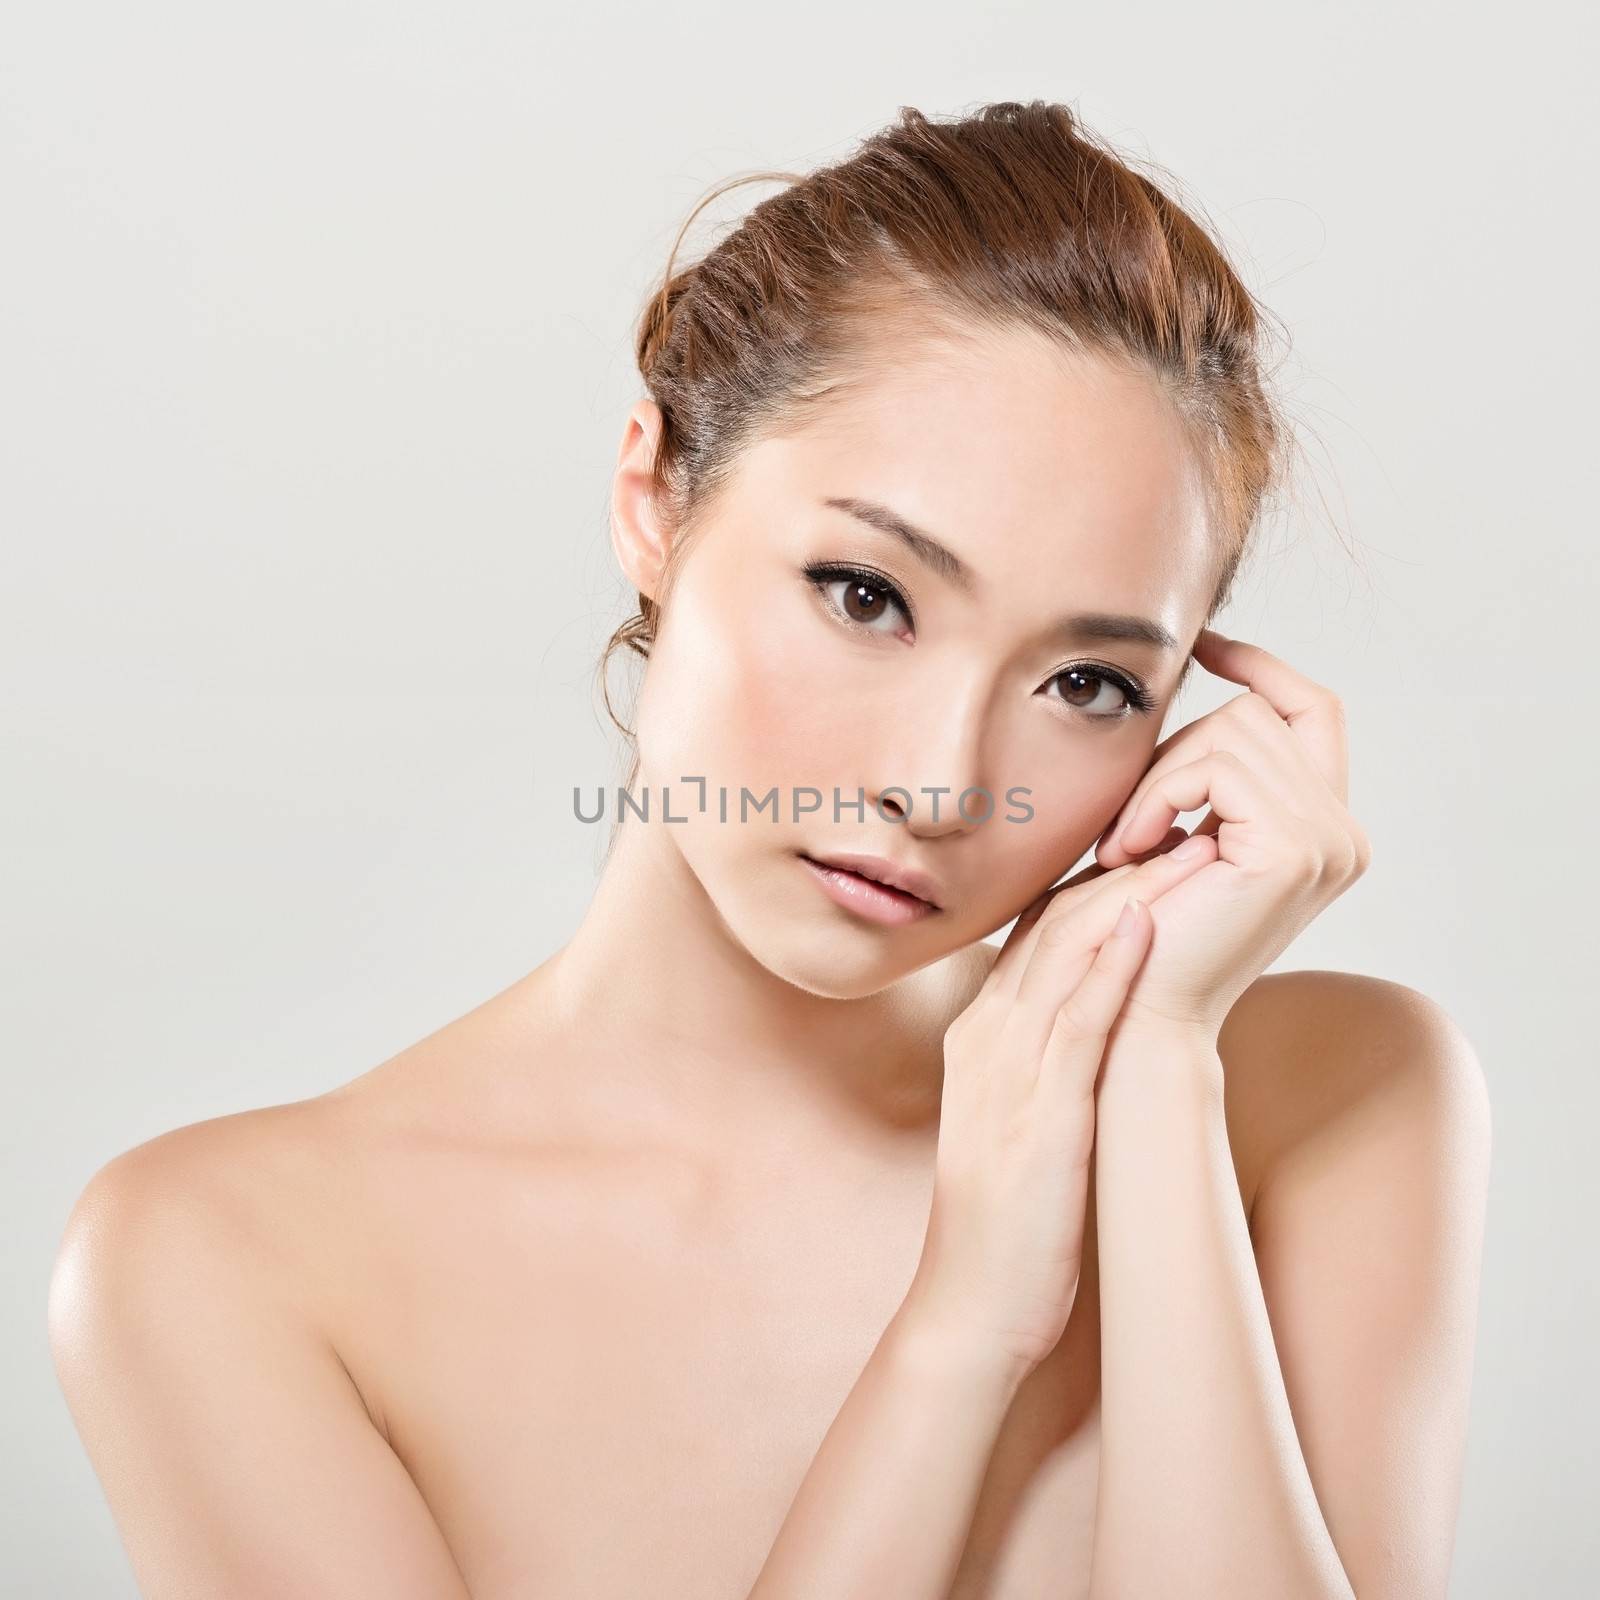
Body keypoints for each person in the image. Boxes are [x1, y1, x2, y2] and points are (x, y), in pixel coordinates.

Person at [47, 100, 1491, 1599]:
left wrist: (1157, 1075)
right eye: (866, 595)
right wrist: (962, 1327)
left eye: (1088, 684)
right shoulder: (231, 1263)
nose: (940, 787)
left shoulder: (1329, 1104)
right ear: (653, 499)